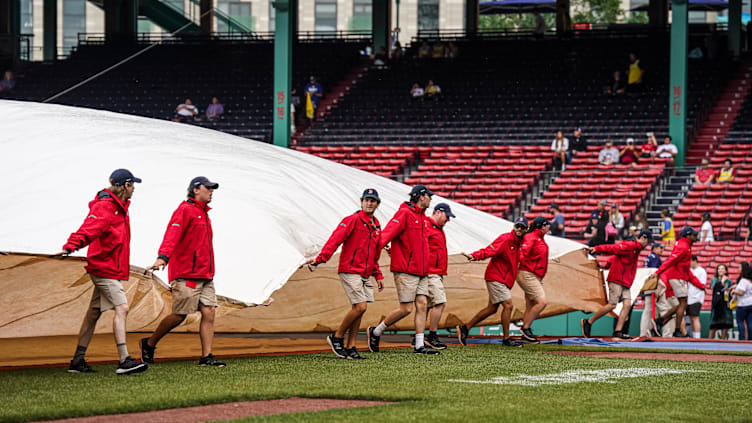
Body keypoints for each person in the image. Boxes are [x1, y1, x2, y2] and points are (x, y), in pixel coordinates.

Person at [59, 169, 147, 375]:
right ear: (126, 185)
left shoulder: (119, 207)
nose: (134, 189)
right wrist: (69, 247)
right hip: (103, 269)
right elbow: (88, 229)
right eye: (133, 185)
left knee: (93, 313)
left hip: (110, 268)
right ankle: (124, 360)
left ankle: (77, 361)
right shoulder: (106, 207)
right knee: (122, 308)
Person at [141, 176, 226, 367]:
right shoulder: (184, 210)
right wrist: (162, 258)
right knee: (180, 314)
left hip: (205, 274)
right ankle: (149, 343)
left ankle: (206, 357)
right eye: (208, 187)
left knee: (209, 311)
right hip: (187, 273)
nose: (212, 191)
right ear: (196, 189)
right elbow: (172, 234)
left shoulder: (204, 213)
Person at [304, 188, 384, 359]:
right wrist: (320, 259)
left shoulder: (376, 225)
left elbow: (375, 253)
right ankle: (337, 337)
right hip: (350, 269)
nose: (369, 203)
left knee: (360, 309)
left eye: (373, 200)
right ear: (362, 202)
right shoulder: (352, 220)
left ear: (377, 204)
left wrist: (378, 275)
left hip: (365, 272)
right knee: (361, 306)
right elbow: (335, 240)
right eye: (367, 200)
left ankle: (351, 346)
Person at [367, 185, 439, 355]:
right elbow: (384, 237)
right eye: (429, 196)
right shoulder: (405, 214)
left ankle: (419, 345)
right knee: (406, 309)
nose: (430, 199)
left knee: (422, 305)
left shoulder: (422, 217)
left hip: (421, 271)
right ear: (421, 196)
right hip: (406, 270)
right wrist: (373, 262)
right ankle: (376, 332)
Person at [456, 217, 528, 347]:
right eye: (517, 226)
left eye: (522, 227)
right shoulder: (506, 239)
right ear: (514, 227)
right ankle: (506, 339)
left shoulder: (520, 244)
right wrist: (474, 256)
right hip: (495, 277)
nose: (519, 229)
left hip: (503, 279)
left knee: (492, 309)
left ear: (526, 229)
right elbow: (489, 250)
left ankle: (465, 328)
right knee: (508, 305)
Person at [583, 230, 653, 339]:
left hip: (625, 281)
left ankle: (618, 331)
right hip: (616, 279)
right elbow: (613, 248)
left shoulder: (635, 248)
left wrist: (607, 264)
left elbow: (616, 256)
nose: (647, 245)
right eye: (648, 242)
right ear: (643, 238)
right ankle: (588, 322)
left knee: (627, 305)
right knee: (612, 304)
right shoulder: (630, 246)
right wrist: (597, 248)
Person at [651, 226, 699, 337]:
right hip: (677, 277)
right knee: (683, 303)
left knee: (680, 304)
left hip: (678, 276)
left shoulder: (685, 245)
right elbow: (671, 260)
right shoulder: (684, 246)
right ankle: (677, 330)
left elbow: (683, 267)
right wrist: (658, 272)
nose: (695, 237)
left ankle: (661, 321)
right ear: (688, 235)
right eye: (694, 235)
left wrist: (698, 285)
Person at [423, 203, 455, 350]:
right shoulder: (427, 226)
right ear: (438, 212)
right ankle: (432, 336)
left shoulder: (437, 228)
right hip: (431, 272)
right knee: (440, 302)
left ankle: (420, 337)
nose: (448, 220)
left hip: (435, 271)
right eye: (447, 216)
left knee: (428, 306)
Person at [516, 217, 551, 343]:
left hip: (534, 274)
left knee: (530, 304)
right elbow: (523, 251)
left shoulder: (539, 238)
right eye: (547, 225)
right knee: (542, 302)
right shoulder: (532, 237)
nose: (549, 227)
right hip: (527, 273)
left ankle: (526, 334)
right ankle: (525, 328)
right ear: (542, 226)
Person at [709, 264, 734, 340]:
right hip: (716, 305)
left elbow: (728, 291)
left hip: (725, 305)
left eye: (722, 269)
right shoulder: (714, 279)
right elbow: (715, 288)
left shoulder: (729, 281)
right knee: (713, 326)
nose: (720, 270)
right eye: (719, 269)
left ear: (726, 271)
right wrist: (722, 281)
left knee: (725, 325)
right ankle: (708, 343)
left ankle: (723, 343)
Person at [687, 255, 707, 339]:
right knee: (691, 318)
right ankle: (694, 336)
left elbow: (702, 284)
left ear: (695, 261)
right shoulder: (689, 270)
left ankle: (697, 337)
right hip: (688, 297)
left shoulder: (701, 271)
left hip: (697, 298)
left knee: (695, 318)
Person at [731, 261, 752, 340]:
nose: (738, 269)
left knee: (740, 322)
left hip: (743, 305)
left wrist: (734, 291)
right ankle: (750, 339)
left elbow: (741, 292)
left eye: (739, 267)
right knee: (750, 322)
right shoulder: (750, 280)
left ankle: (742, 339)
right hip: (750, 303)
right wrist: (736, 286)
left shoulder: (743, 280)